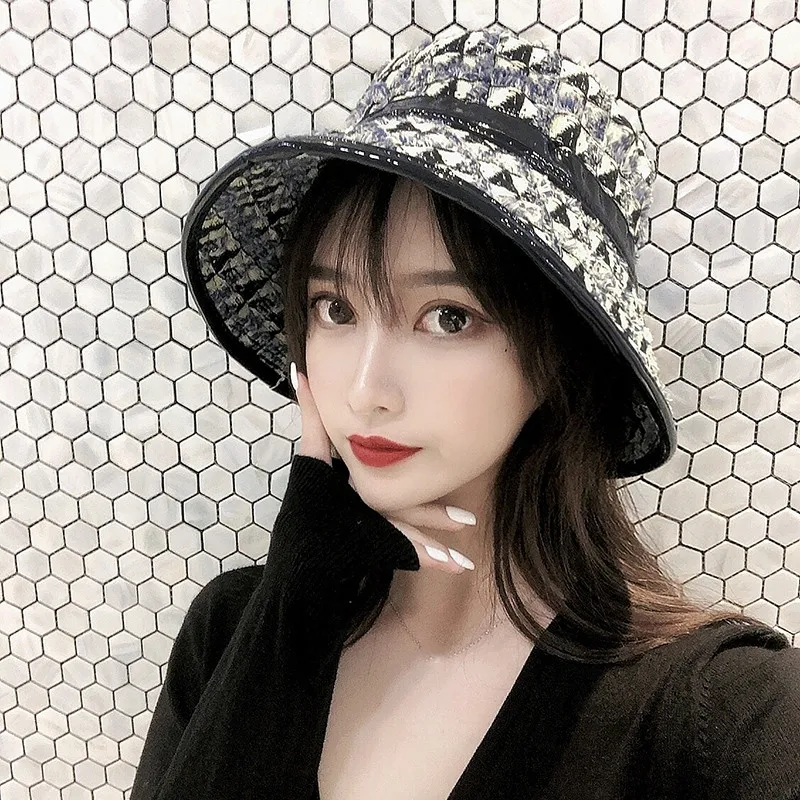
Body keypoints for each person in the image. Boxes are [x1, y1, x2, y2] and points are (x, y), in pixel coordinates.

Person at [130, 25, 800, 800]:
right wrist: (287, 621)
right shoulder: (234, 631)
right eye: (334, 306)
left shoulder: (723, 714)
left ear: (561, 353)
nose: (366, 390)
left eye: (448, 317)